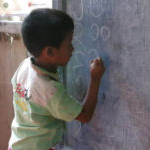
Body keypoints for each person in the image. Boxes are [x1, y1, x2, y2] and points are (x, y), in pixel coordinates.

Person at [8, 8, 105, 150]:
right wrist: (95, 79)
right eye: (69, 43)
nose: (73, 49)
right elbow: (85, 115)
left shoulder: (25, 65)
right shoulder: (51, 92)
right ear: (50, 52)